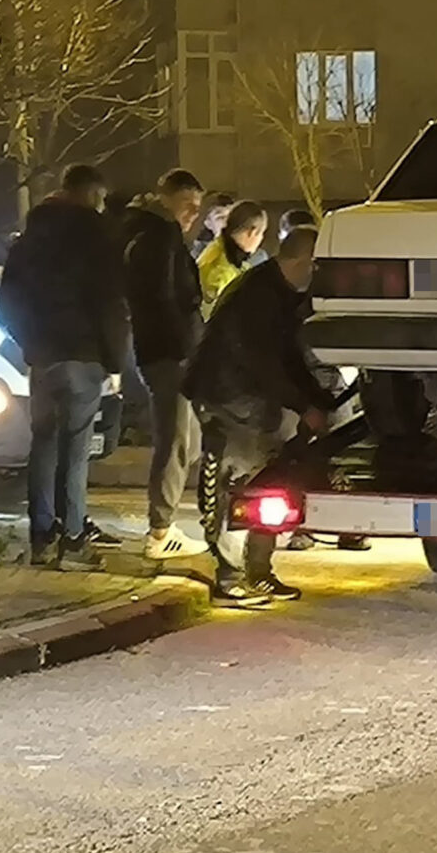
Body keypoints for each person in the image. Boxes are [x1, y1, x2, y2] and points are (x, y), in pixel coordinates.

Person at [185, 227, 334, 608]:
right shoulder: (258, 297)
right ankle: (230, 576)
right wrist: (306, 405)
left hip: (252, 398)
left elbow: (287, 356)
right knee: (238, 483)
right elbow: (264, 361)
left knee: (269, 480)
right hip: (229, 398)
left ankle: (258, 572)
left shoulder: (276, 292)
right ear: (305, 261)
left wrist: (316, 401)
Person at [0, 164, 129, 571]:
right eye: (101, 198)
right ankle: (72, 540)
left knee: (43, 445)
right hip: (83, 355)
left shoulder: (30, 238)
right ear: (92, 194)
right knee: (75, 450)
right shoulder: (98, 237)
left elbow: (7, 301)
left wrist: (29, 342)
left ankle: (41, 537)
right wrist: (115, 360)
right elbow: (109, 303)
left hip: (43, 357)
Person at [124, 168, 208, 559]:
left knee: (187, 440)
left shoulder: (150, 234)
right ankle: (160, 531)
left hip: (166, 350)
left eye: (197, 208)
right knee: (176, 439)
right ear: (168, 198)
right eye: (188, 205)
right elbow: (163, 298)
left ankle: (163, 521)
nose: (194, 214)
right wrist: (184, 348)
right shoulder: (160, 237)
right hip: (170, 353)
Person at [196, 200, 267, 315]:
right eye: (262, 233)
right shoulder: (222, 271)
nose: (261, 239)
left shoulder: (219, 251)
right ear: (252, 232)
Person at [191, 192, 237, 260]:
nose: (227, 221)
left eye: (231, 216)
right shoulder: (198, 255)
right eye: (221, 217)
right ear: (208, 223)